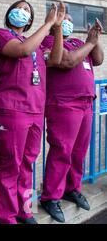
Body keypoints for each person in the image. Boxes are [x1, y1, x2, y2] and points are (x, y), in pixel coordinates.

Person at [0, 0, 65, 224]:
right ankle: (6, 216)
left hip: (34, 111)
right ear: (9, 11)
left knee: (27, 163)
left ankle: (24, 210)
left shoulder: (37, 43)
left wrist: (57, 27)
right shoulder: (2, 34)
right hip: (11, 109)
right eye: (19, 8)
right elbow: (22, 50)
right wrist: (48, 23)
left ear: (30, 20)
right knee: (10, 164)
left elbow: (56, 59)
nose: (22, 12)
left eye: (27, 10)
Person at [40, 15, 104, 223]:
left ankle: (71, 188)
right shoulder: (49, 41)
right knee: (62, 151)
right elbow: (67, 61)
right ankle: (50, 197)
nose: (68, 21)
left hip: (86, 103)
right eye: (63, 18)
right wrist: (90, 44)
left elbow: (99, 59)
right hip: (64, 103)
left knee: (78, 151)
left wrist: (94, 39)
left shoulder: (77, 42)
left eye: (70, 18)